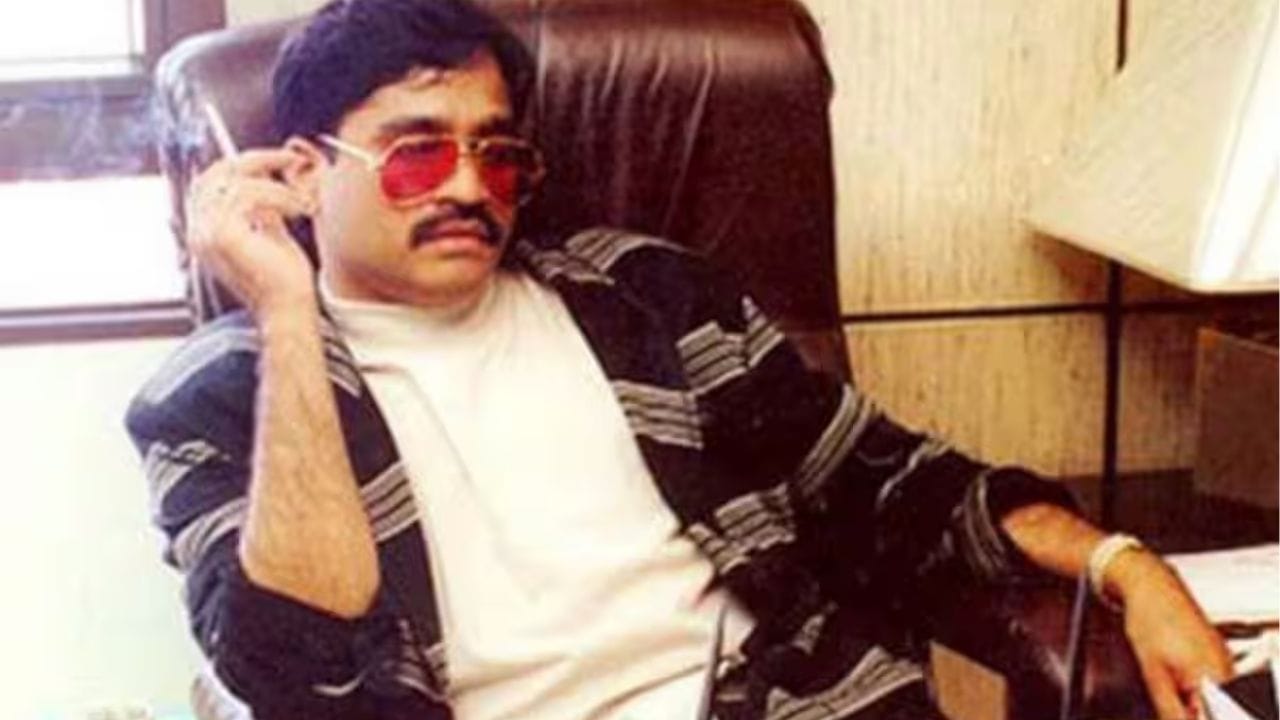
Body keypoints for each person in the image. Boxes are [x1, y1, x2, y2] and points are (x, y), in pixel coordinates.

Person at [126, 1, 1232, 718]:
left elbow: (890, 480)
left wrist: (1127, 567)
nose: (469, 187)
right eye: (416, 154)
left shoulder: (648, 301)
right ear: (302, 172)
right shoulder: (215, 398)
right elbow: (293, 664)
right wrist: (284, 310)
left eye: (498, 156)